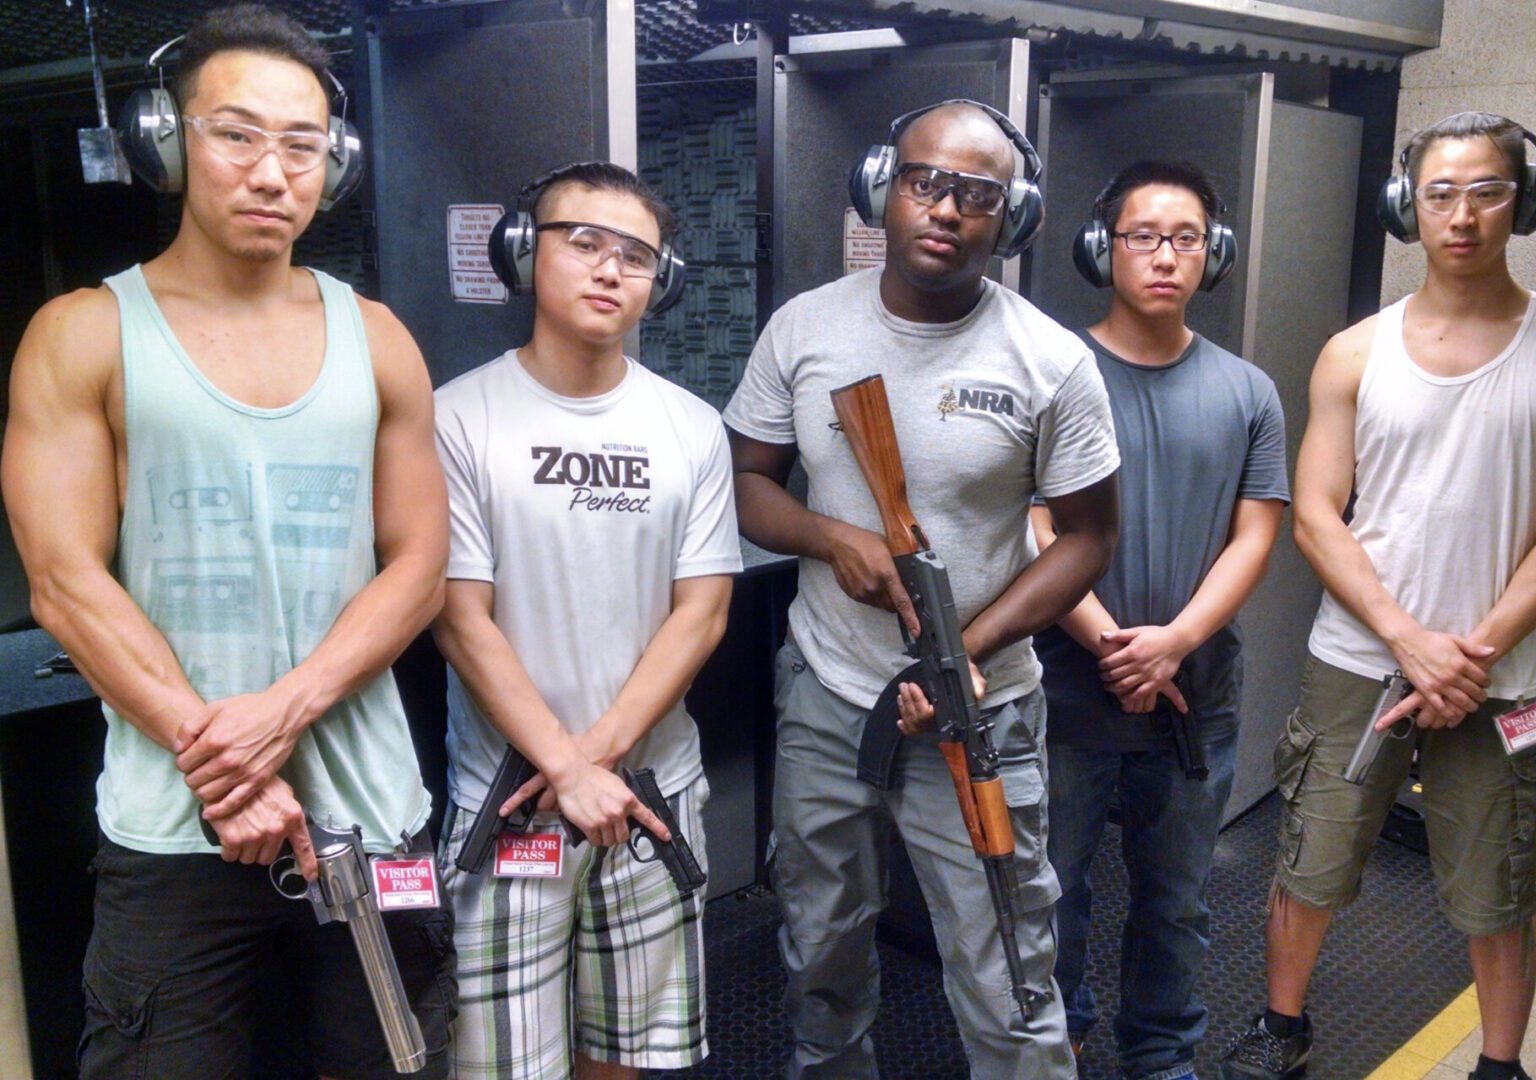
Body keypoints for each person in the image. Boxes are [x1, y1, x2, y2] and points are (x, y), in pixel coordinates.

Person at [1, 5, 455, 1076]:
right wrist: (228, 769)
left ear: (331, 166)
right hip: (174, 828)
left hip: (370, 815)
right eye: (235, 133)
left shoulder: (378, 338)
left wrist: (279, 717)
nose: (270, 170)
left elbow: (420, 565)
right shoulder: (83, 332)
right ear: (170, 143)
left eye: (301, 145)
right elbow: (64, 582)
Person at [725, 99, 1121, 1078]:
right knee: (819, 947)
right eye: (922, 181)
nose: (943, 210)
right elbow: (744, 486)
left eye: (974, 194)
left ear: (1011, 216)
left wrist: (967, 651)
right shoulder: (803, 329)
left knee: (1009, 974)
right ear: (882, 188)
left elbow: (1089, 538)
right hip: (827, 696)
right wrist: (832, 538)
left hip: (980, 715)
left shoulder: (1051, 362)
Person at [1220, 112, 1536, 1080]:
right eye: (1440, 193)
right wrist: (1408, 639)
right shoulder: (1354, 351)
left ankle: (1498, 1065)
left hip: (1500, 677)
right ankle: (1282, 1030)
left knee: (1499, 884)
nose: (1464, 215)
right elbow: (1315, 514)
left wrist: (1466, 652)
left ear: (1522, 202)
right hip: (1359, 657)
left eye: (1486, 190)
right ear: (1409, 206)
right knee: (1310, 858)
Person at [432, 161, 740, 1079]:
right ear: (526, 253)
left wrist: (597, 757)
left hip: (650, 790)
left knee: (627, 1057)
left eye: (636, 255)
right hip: (509, 798)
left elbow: (702, 612)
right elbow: (459, 619)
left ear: (662, 281)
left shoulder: (690, 427)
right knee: (502, 1064)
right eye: (584, 242)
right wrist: (563, 768)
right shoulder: (458, 418)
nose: (610, 269)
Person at [1034, 161, 1288, 1079]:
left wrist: (1174, 643)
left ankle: (1159, 1058)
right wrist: (1110, 642)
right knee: (1048, 895)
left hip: (1195, 695)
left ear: (1211, 253)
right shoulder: (1052, 371)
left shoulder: (1247, 390)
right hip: (1068, 688)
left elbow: (1255, 536)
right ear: (1104, 249)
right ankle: (1055, 1043)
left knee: (1175, 901)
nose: (1164, 256)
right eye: (1142, 235)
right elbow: (1031, 526)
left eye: (1185, 237)